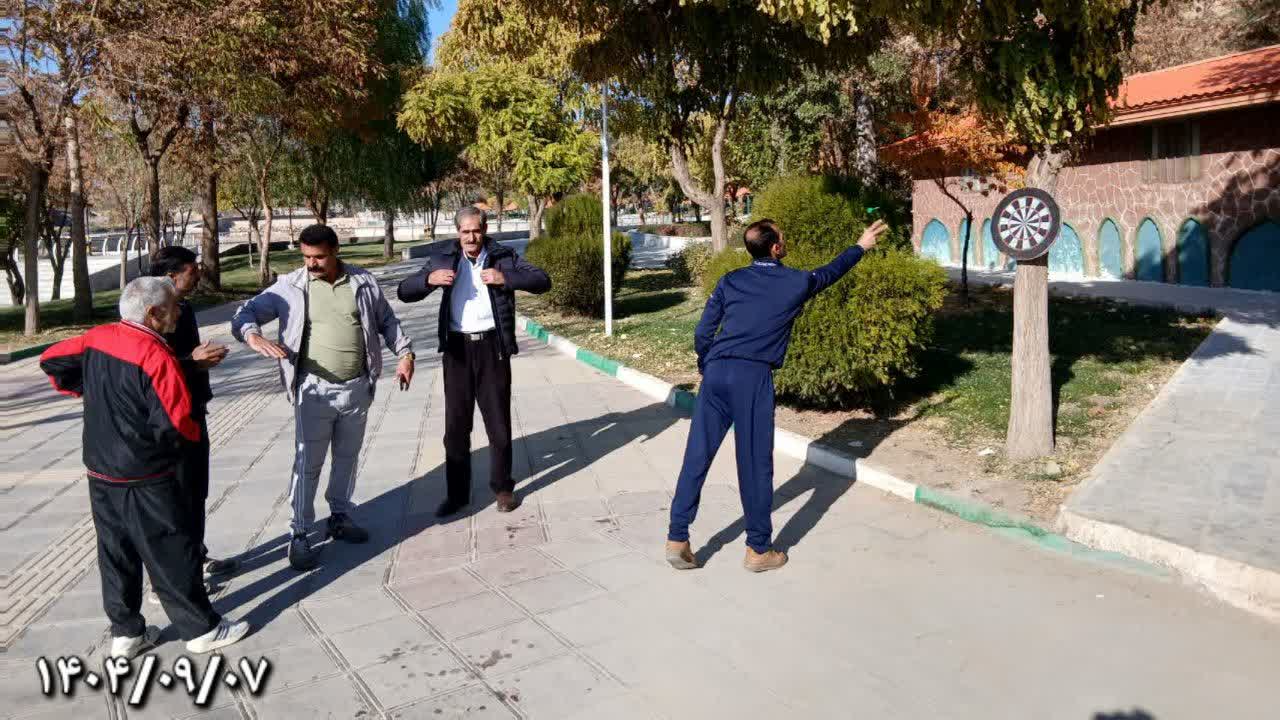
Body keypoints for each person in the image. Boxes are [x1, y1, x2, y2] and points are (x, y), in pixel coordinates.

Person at [40, 277, 251, 658]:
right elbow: (179, 423)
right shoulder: (156, 356)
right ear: (154, 313)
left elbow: (51, 360)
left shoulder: (97, 337)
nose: (179, 312)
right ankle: (201, 629)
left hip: (101, 468)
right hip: (147, 473)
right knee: (171, 548)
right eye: (174, 306)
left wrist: (90, 389)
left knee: (115, 552)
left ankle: (126, 632)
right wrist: (178, 458)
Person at [665, 217, 889, 573]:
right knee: (755, 463)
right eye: (782, 236)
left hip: (717, 372)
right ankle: (758, 550)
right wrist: (860, 246)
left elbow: (703, 331)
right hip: (752, 377)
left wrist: (707, 363)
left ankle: (677, 538)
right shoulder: (796, 282)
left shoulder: (730, 280)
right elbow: (830, 272)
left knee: (697, 455)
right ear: (775, 247)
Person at [232, 224, 414, 571]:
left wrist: (405, 353)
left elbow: (387, 321)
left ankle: (340, 516)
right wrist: (252, 335)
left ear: (335, 252)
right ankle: (299, 532)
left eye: (318, 257)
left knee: (347, 458)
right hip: (313, 391)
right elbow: (246, 313)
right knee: (308, 464)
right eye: (306, 257)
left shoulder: (362, 282)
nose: (311, 264)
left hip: (356, 388)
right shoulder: (290, 287)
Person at [397, 207, 551, 517]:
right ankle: (457, 495)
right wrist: (429, 279)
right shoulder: (442, 258)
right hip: (457, 350)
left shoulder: (503, 256)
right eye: (465, 231)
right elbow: (404, 292)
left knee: (498, 423)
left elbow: (542, 281)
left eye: (476, 231)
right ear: (458, 232)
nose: (471, 237)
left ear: (485, 230)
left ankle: (503, 488)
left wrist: (505, 278)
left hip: (493, 347)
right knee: (456, 427)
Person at [149, 246, 238, 589]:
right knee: (176, 496)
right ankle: (171, 578)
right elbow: (151, 368)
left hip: (193, 408)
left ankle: (195, 558)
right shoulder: (150, 313)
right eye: (192, 269)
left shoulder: (183, 308)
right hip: (168, 419)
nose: (199, 274)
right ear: (171, 276)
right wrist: (192, 363)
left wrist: (199, 362)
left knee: (196, 490)